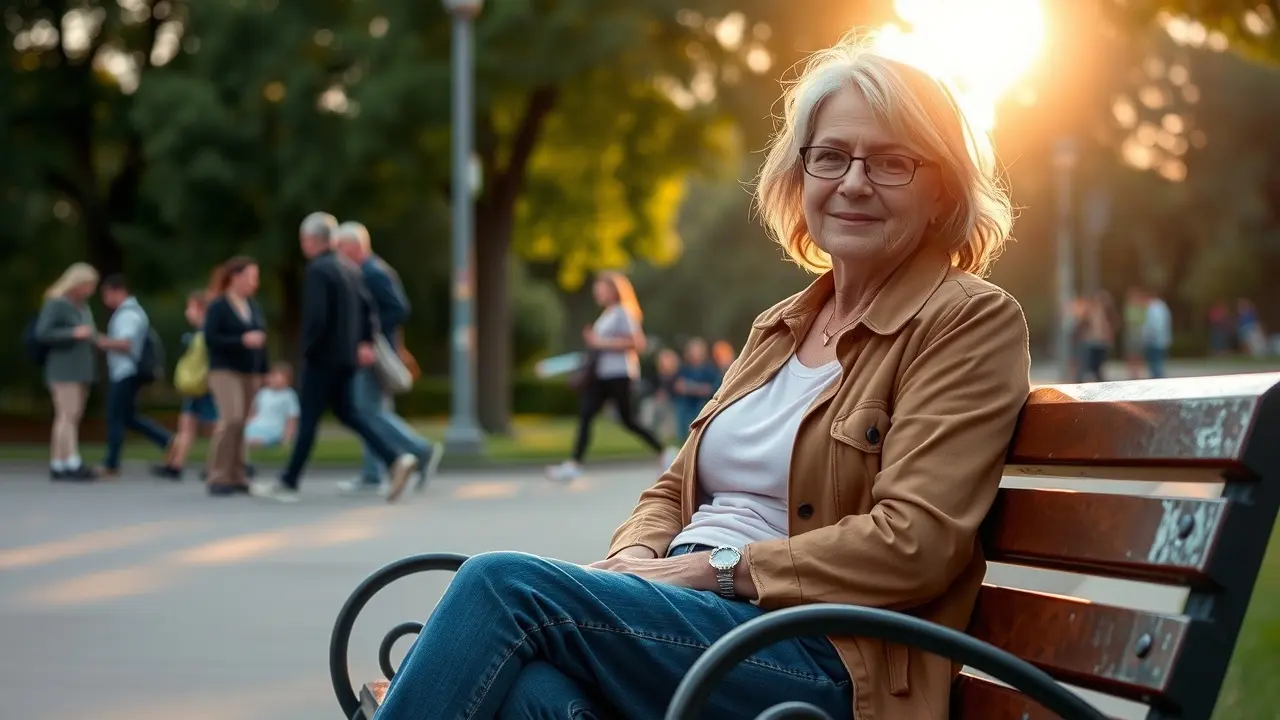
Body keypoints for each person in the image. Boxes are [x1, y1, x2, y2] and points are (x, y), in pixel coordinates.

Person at [373, 31, 1030, 720]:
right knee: (534, 698)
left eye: (892, 161)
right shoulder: (782, 325)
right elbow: (671, 488)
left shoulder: (967, 321)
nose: (854, 182)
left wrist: (713, 571)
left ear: (943, 191)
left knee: (499, 589)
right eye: (831, 157)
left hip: (824, 657)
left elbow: (913, 544)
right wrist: (633, 561)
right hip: (692, 622)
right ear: (799, 177)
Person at [252, 212, 418, 503]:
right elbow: (369, 310)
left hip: (323, 358)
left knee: (308, 420)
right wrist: (364, 341)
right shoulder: (350, 268)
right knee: (349, 413)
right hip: (347, 359)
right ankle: (395, 458)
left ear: (312, 239)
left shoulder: (319, 270)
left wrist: (308, 349)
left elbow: (317, 318)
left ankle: (288, 482)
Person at [333, 221, 443, 498]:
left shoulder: (374, 273)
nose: (338, 253)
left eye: (341, 247)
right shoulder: (365, 271)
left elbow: (398, 309)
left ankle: (419, 449)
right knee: (370, 410)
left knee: (368, 411)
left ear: (356, 246)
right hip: (371, 351)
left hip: (373, 353)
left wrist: (369, 335)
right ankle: (373, 473)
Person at [545, 270, 672, 483]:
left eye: (602, 288)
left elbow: (637, 343)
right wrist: (594, 341)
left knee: (627, 419)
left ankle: (665, 452)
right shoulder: (608, 313)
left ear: (614, 290)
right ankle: (574, 464)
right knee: (586, 413)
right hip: (602, 375)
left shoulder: (623, 312)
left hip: (619, 373)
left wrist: (600, 343)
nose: (598, 292)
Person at [203, 257, 270, 497]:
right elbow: (211, 338)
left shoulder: (252, 305)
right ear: (236, 277)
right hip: (224, 370)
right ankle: (218, 475)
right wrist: (241, 340)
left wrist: (264, 371)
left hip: (249, 371)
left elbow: (262, 338)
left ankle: (238, 474)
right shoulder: (218, 306)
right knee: (230, 418)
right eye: (251, 276)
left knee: (242, 422)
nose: (255, 282)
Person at [96, 274, 172, 477]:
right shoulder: (131, 311)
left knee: (115, 416)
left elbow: (126, 343)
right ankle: (166, 440)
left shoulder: (128, 314)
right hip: (126, 371)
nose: (105, 300)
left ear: (116, 291)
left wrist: (102, 341)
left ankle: (111, 463)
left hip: (126, 371)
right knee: (128, 417)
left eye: (106, 294)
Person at [34, 262, 100, 481]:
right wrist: (73, 333)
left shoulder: (83, 306)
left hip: (81, 367)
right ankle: (72, 461)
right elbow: (43, 333)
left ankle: (59, 462)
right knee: (67, 415)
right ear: (77, 283)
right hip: (63, 368)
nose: (91, 289)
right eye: (89, 284)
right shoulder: (57, 304)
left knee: (69, 416)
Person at [152, 290, 219, 480]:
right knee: (187, 425)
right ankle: (176, 464)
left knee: (214, 427)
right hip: (195, 387)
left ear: (201, 310)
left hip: (204, 386)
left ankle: (215, 465)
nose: (187, 313)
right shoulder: (197, 334)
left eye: (190, 308)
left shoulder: (207, 333)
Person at [245, 362, 300, 452]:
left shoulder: (289, 395)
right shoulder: (263, 393)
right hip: (258, 425)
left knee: (257, 441)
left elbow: (292, 418)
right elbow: (253, 412)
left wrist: (287, 438)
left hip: (274, 429)